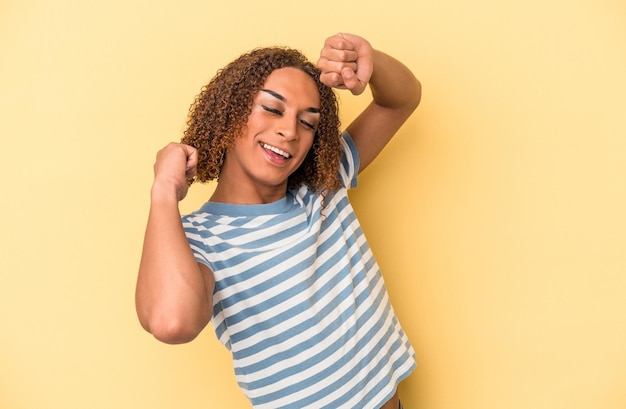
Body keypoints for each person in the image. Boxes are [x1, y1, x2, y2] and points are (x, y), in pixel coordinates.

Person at [136, 32, 421, 409]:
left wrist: (369, 61)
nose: (290, 131)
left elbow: (402, 99)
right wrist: (163, 192)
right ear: (229, 111)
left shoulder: (324, 185)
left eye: (308, 122)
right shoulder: (198, 239)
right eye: (272, 109)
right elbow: (172, 323)